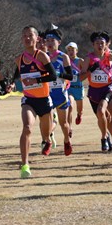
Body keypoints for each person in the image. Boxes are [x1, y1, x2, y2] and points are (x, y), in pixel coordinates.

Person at [14, 26, 57, 178]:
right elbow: (17, 76)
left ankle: (47, 139)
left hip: (44, 100)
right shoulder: (19, 59)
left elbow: (53, 76)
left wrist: (36, 79)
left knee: (46, 133)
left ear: (37, 38)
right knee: (27, 127)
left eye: (30, 35)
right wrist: (11, 84)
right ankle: (25, 164)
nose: (27, 38)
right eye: (24, 35)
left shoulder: (42, 56)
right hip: (29, 100)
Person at [80, 31, 112, 152]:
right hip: (94, 91)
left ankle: (104, 138)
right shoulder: (88, 59)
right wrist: (90, 70)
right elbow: (80, 78)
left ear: (106, 44)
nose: (100, 45)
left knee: (101, 110)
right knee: (102, 117)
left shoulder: (110, 55)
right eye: (97, 43)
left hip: (108, 88)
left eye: (102, 43)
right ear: (93, 45)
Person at [43, 27, 74, 155]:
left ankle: (67, 141)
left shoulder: (64, 57)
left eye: (53, 40)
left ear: (59, 42)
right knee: (47, 122)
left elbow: (70, 76)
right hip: (47, 94)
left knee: (64, 123)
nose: (50, 43)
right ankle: (47, 141)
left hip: (60, 94)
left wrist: (57, 74)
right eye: (48, 40)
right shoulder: (42, 56)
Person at [65, 41, 85, 130]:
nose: (70, 52)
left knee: (80, 110)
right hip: (69, 88)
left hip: (78, 88)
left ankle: (79, 115)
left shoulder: (80, 61)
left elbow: (85, 72)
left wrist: (79, 74)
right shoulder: (65, 61)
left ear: (76, 50)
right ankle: (70, 127)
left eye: (72, 50)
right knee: (70, 106)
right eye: (69, 50)